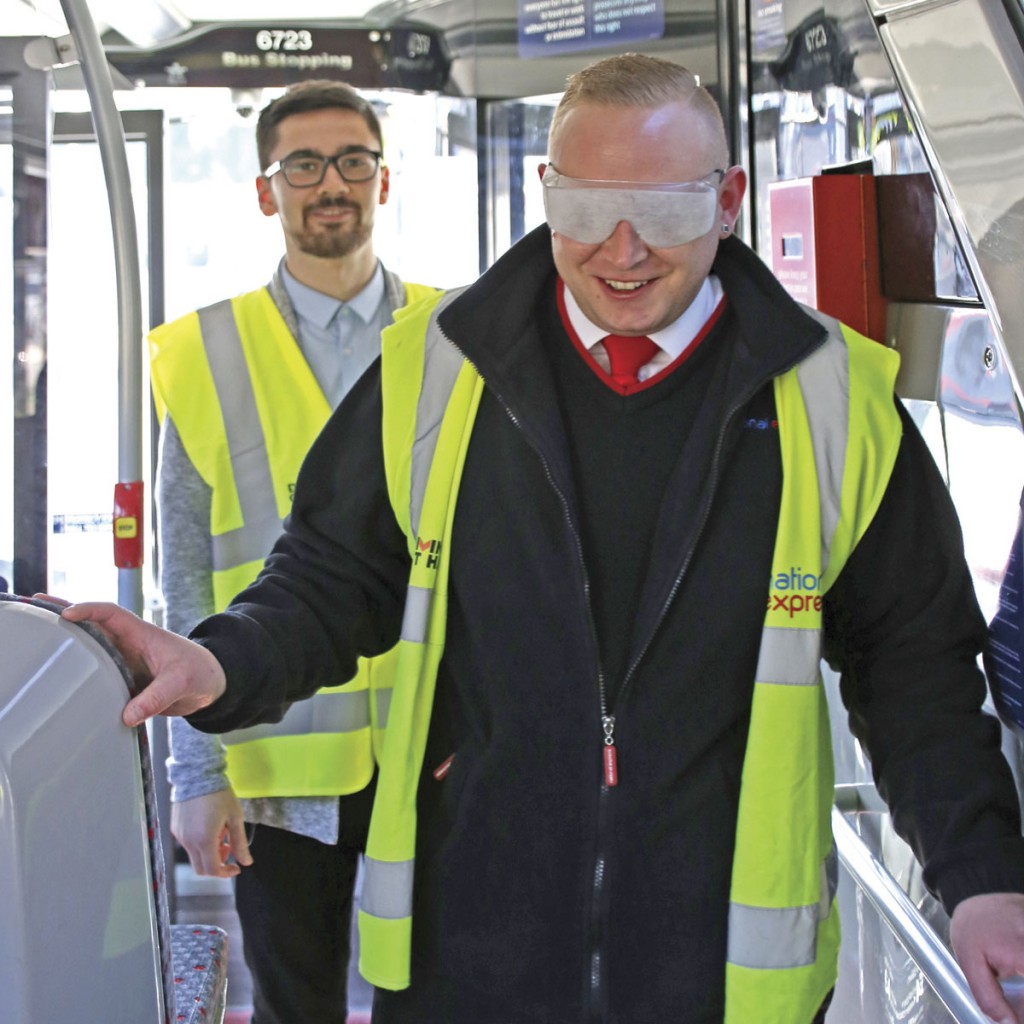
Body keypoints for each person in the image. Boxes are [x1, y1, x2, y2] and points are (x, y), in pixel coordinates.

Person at [68, 53, 1024, 1024]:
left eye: (664, 210)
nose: (623, 250)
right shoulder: (435, 369)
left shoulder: (838, 398)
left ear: (730, 198)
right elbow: (331, 576)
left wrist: (981, 876)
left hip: (723, 973)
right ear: (544, 192)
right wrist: (223, 661)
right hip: (469, 959)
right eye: (584, 211)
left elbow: (916, 672)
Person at [148, 79, 435, 1024]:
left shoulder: (455, 339)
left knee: (444, 1001)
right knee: (294, 1008)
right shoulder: (201, 355)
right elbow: (182, 582)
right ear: (266, 192)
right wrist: (197, 777)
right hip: (270, 773)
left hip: (436, 758)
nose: (330, 183)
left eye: (353, 160)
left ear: (383, 181)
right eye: (302, 165)